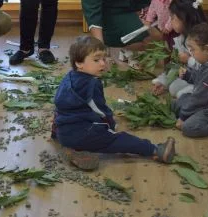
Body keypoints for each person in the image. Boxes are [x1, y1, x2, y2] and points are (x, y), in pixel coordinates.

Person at [53, 36, 176, 170]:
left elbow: (59, 103)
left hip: (63, 130)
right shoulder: (91, 84)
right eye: (96, 60)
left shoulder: (69, 76)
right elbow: (100, 111)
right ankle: (156, 150)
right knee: (118, 139)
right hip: (83, 133)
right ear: (79, 63)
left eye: (103, 59)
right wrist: (110, 125)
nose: (102, 64)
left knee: (71, 115)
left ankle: (70, 147)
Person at [152, 0, 206, 97]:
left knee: (180, 94)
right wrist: (163, 82)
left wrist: (189, 60)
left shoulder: (201, 40)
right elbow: (175, 65)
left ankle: (205, 95)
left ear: (184, 18)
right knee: (173, 89)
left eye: (172, 18)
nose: (170, 21)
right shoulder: (181, 38)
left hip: (207, 79)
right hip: (192, 75)